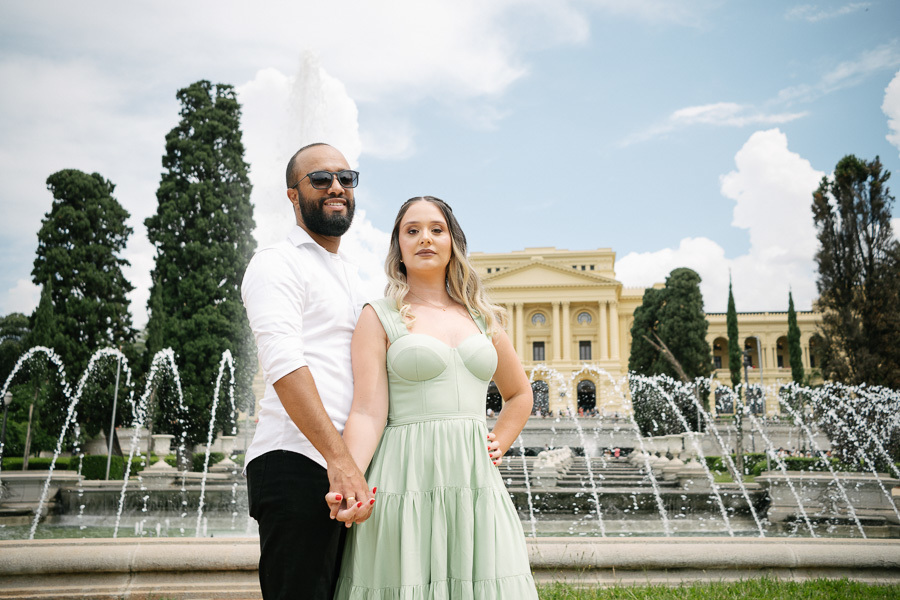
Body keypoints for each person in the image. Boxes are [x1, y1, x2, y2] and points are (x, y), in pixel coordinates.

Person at [331, 196, 539, 599]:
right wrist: (350, 481)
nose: (425, 238)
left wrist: (501, 441)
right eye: (412, 230)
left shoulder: (482, 316)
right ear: (399, 247)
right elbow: (367, 412)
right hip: (404, 475)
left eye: (436, 229)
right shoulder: (378, 315)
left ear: (452, 243)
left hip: (475, 478)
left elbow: (518, 393)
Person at [241, 143, 375, 600]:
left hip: (342, 469)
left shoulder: (353, 277)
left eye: (346, 177)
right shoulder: (276, 262)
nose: (336, 186)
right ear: (293, 196)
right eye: (320, 179)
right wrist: (339, 461)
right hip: (297, 464)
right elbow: (284, 364)